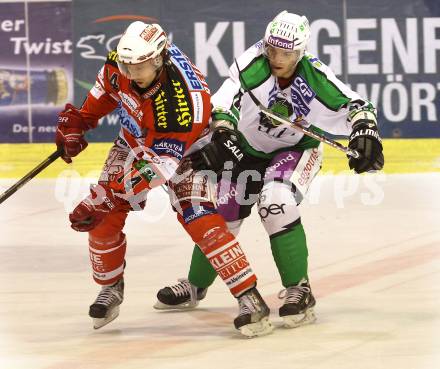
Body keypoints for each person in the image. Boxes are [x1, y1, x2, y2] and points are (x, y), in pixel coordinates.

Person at [154, 10, 384, 328]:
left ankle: (298, 290)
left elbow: (355, 106)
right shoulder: (253, 64)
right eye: (273, 49)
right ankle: (195, 285)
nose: (277, 57)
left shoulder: (314, 75)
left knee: (276, 203)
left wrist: (365, 133)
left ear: (301, 51)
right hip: (246, 150)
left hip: (294, 151)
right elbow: (224, 101)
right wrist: (221, 132)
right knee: (221, 216)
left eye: (287, 52)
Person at [55, 21, 273, 337]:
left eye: (140, 65)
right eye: (127, 65)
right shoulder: (122, 63)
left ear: (160, 59)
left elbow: (159, 168)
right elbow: (106, 88)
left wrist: (109, 195)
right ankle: (110, 288)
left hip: (187, 152)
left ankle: (250, 298)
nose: (132, 73)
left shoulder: (181, 103)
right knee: (103, 219)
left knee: (201, 220)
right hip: (134, 139)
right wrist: (79, 121)